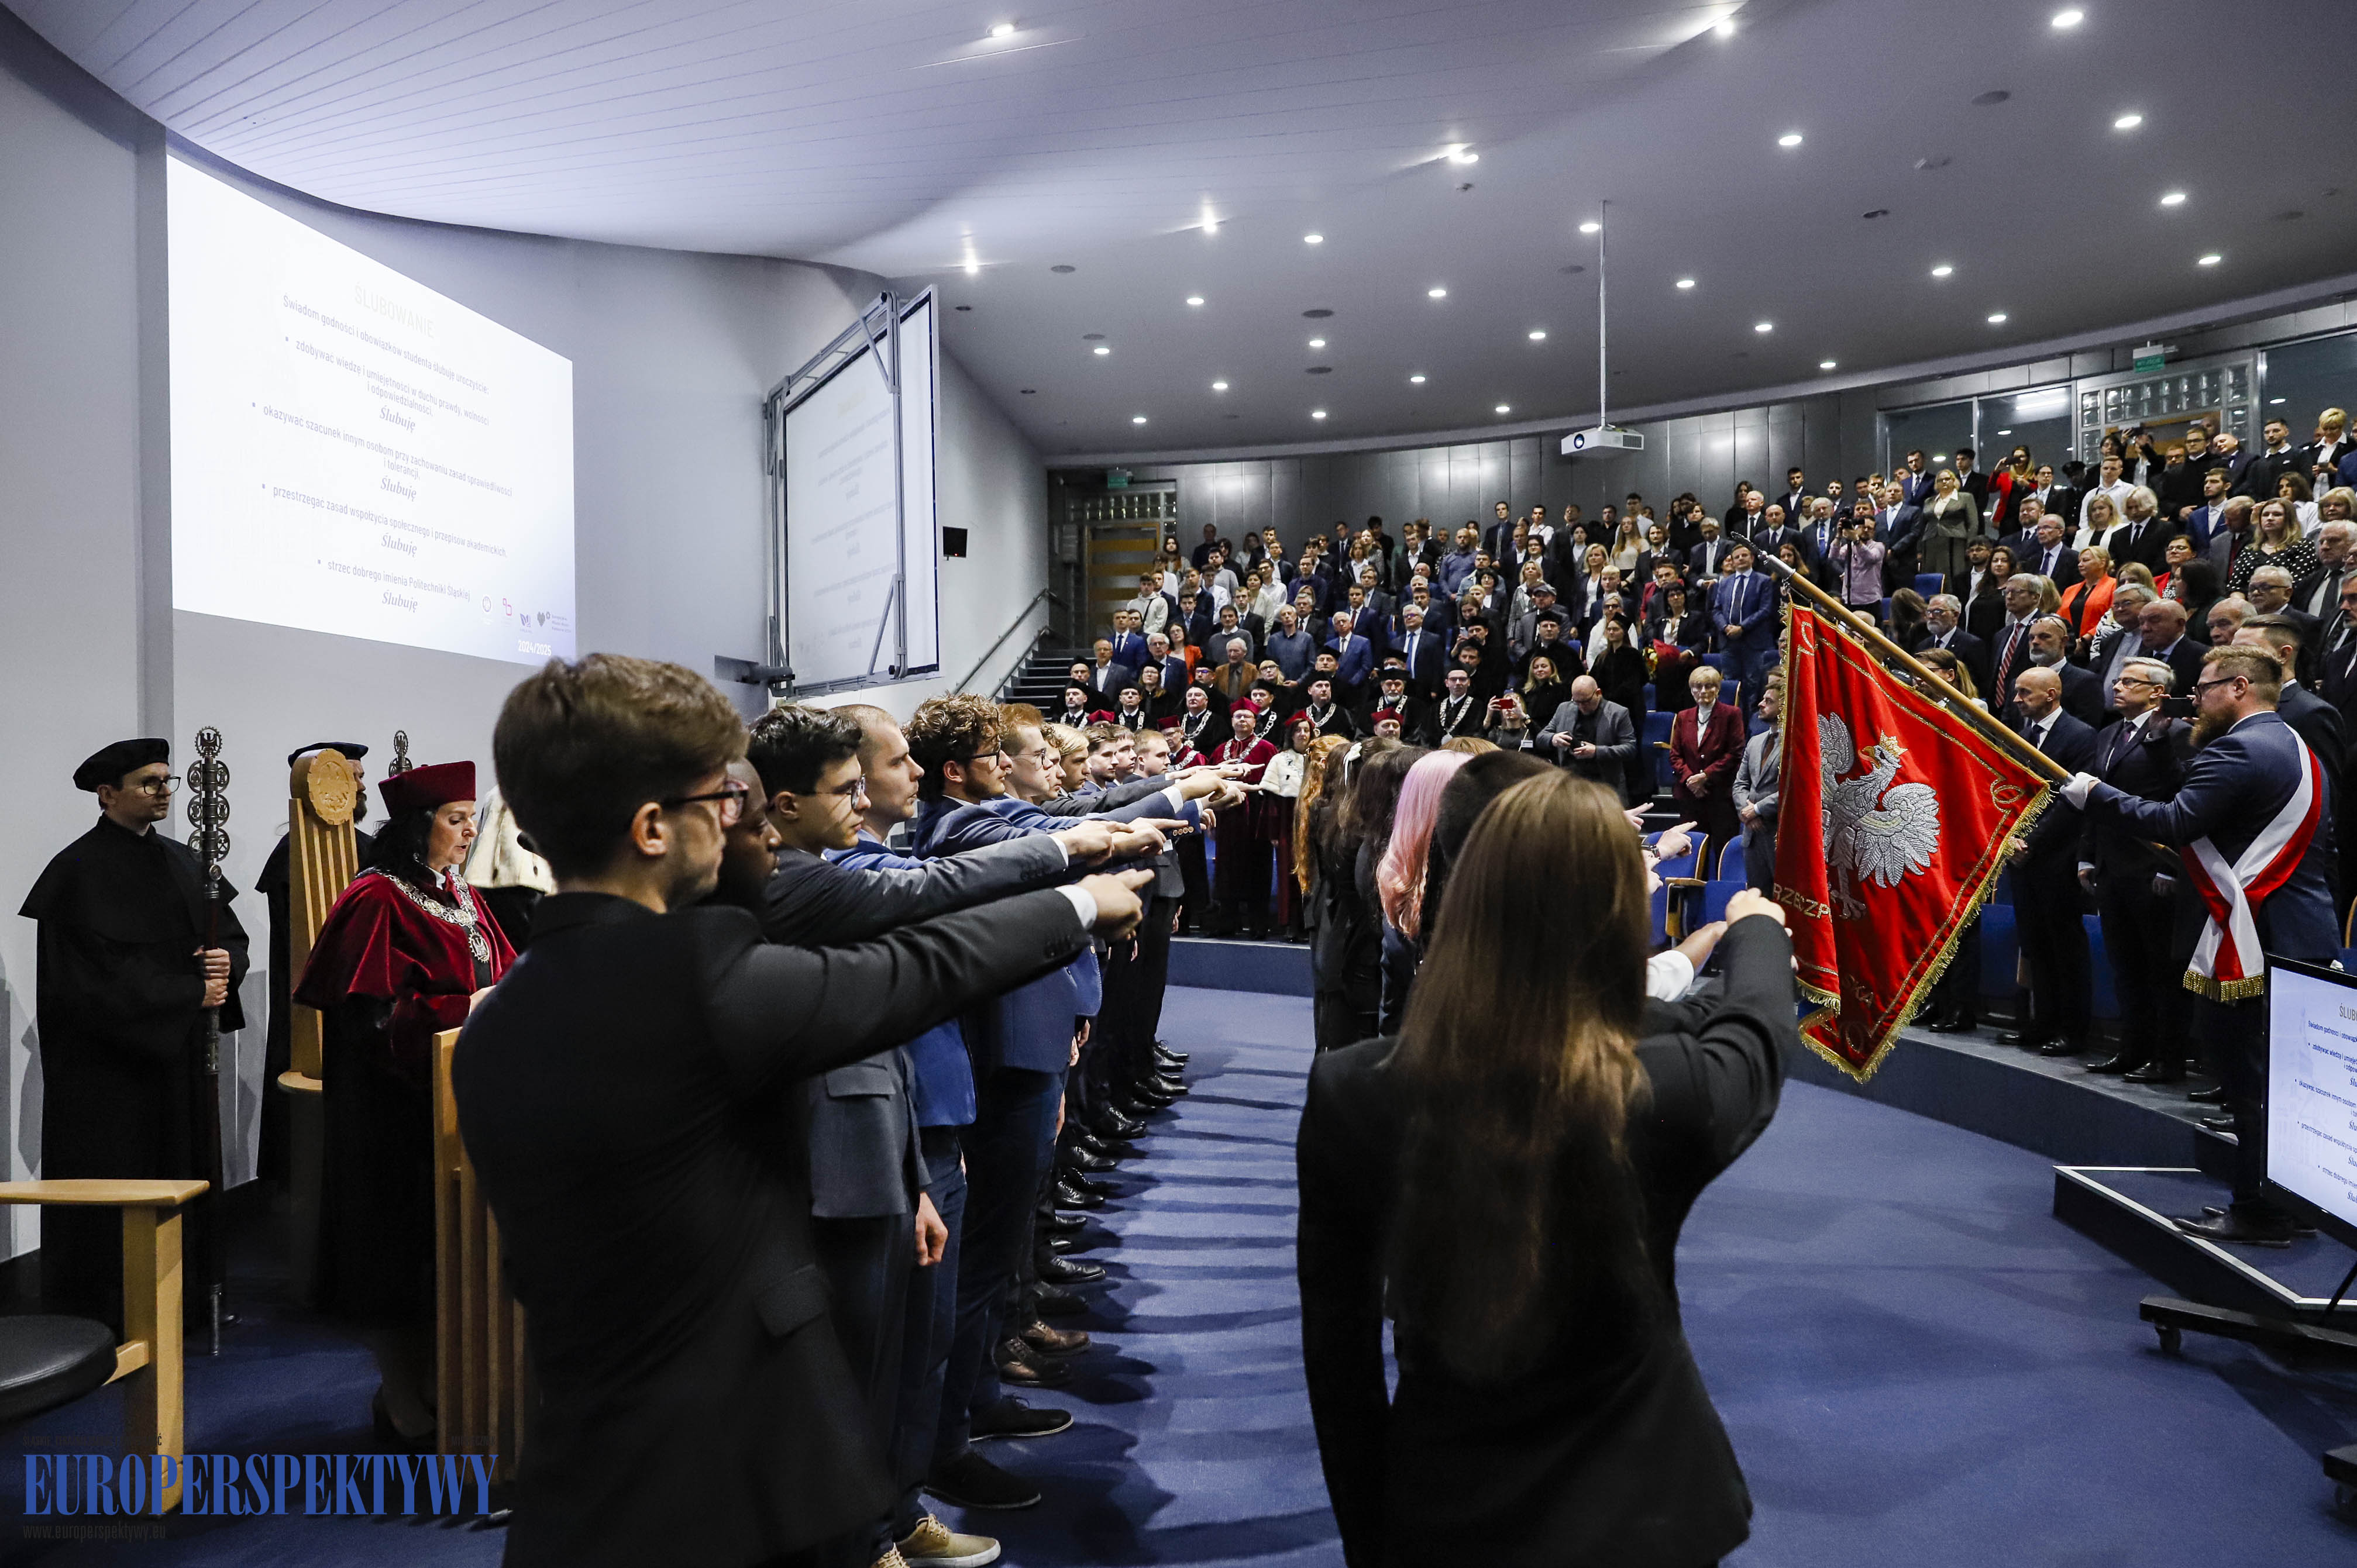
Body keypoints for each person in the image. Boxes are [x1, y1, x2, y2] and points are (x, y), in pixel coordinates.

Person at [456, 656, 1148, 1568]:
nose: (739, 819)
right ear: (654, 827)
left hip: (583, 1485)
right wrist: (1078, 901)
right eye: (720, 798)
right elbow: (920, 967)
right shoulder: (696, 982)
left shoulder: (500, 1017)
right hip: (740, 1482)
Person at [1298, 769, 1797, 1568]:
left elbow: (1339, 1357)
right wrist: (1754, 925)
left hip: (1444, 1504)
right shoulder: (1670, 1086)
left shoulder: (1353, 1091)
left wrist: (1374, 1536)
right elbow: (1759, 1031)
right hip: (1646, 1513)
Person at [2063, 646, 2337, 1245]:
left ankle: (2258, 1210)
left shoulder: (2239, 747)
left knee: (2250, 1082)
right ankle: (2283, 1203)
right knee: (2280, 1083)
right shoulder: (2299, 747)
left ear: (2240, 686)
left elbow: (2174, 821)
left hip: (2254, 936)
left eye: (2205, 688)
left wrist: (2094, 793)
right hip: (2301, 934)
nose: (2195, 701)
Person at [294, 759, 515, 1444]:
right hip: (391, 1113)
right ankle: (399, 1393)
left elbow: (501, 968)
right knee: (396, 1258)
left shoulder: (457, 890)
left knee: (443, 1258)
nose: (468, 831)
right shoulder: (375, 897)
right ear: (419, 825)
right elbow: (373, 1018)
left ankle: (436, 1381)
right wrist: (467, 1007)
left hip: (456, 1106)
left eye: (471, 817)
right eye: (455, 819)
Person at [20, 738, 249, 1331]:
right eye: (150, 782)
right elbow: (90, 985)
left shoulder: (184, 860)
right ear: (107, 793)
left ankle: (189, 1302)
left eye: (168, 781)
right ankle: (106, 1318)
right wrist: (188, 993)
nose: (165, 791)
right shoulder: (74, 873)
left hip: (178, 1065)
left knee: (184, 1173)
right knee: (120, 1189)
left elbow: (231, 936)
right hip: (110, 1078)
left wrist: (225, 964)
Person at [252, 740, 374, 1185]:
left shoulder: (367, 847)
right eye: (352, 777)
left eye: (360, 777)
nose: (362, 787)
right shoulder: (294, 855)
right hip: (313, 1013)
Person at [2074, 659, 2194, 1082]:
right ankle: (2131, 1049)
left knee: (2161, 969)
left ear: (2157, 692)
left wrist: (2174, 868)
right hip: (2111, 866)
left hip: (2153, 869)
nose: (2118, 687)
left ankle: (2167, 1058)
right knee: (2125, 966)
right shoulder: (2108, 732)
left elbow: (2182, 801)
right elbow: (2093, 796)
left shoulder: (2177, 734)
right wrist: (2087, 855)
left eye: (2129, 681)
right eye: (2117, 680)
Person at [1998, 670, 2097, 1058]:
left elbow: (2071, 801)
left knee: (2064, 947)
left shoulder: (2079, 735)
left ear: (2051, 695)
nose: (2017, 698)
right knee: (2034, 944)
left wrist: (2030, 842)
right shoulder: (2018, 733)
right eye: (2015, 691)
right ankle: (2041, 1023)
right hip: (2021, 856)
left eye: (2025, 692)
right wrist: (2010, 838)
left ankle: (2072, 1031)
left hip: (2057, 855)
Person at [1670, 667, 1747, 869]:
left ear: (1718, 689)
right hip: (1690, 797)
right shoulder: (1683, 716)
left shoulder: (1732, 714)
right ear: (1691, 690)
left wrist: (1705, 776)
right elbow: (1675, 755)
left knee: (1723, 852)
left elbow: (1735, 752)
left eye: (1709, 686)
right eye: (1697, 687)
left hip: (1720, 795)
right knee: (1692, 852)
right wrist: (1691, 779)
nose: (1703, 691)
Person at [1732, 675, 1783, 891]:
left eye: (1769, 701)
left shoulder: (1796, 741)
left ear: (1785, 706)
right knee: (1758, 899)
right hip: (1752, 836)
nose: (1761, 704)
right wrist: (1747, 812)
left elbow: (1793, 788)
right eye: (1763, 699)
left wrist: (1759, 809)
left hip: (1779, 835)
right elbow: (1739, 784)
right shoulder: (1755, 742)